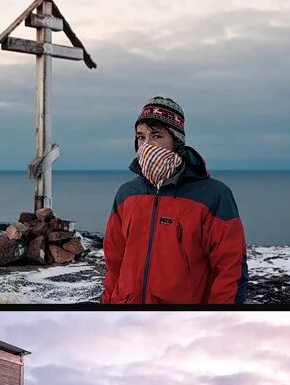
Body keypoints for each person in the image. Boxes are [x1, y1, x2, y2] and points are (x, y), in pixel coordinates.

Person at [102, 96, 249, 304]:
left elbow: (230, 268)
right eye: (141, 137)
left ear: (176, 140)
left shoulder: (214, 195)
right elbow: (114, 261)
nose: (146, 145)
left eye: (156, 136)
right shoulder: (127, 193)